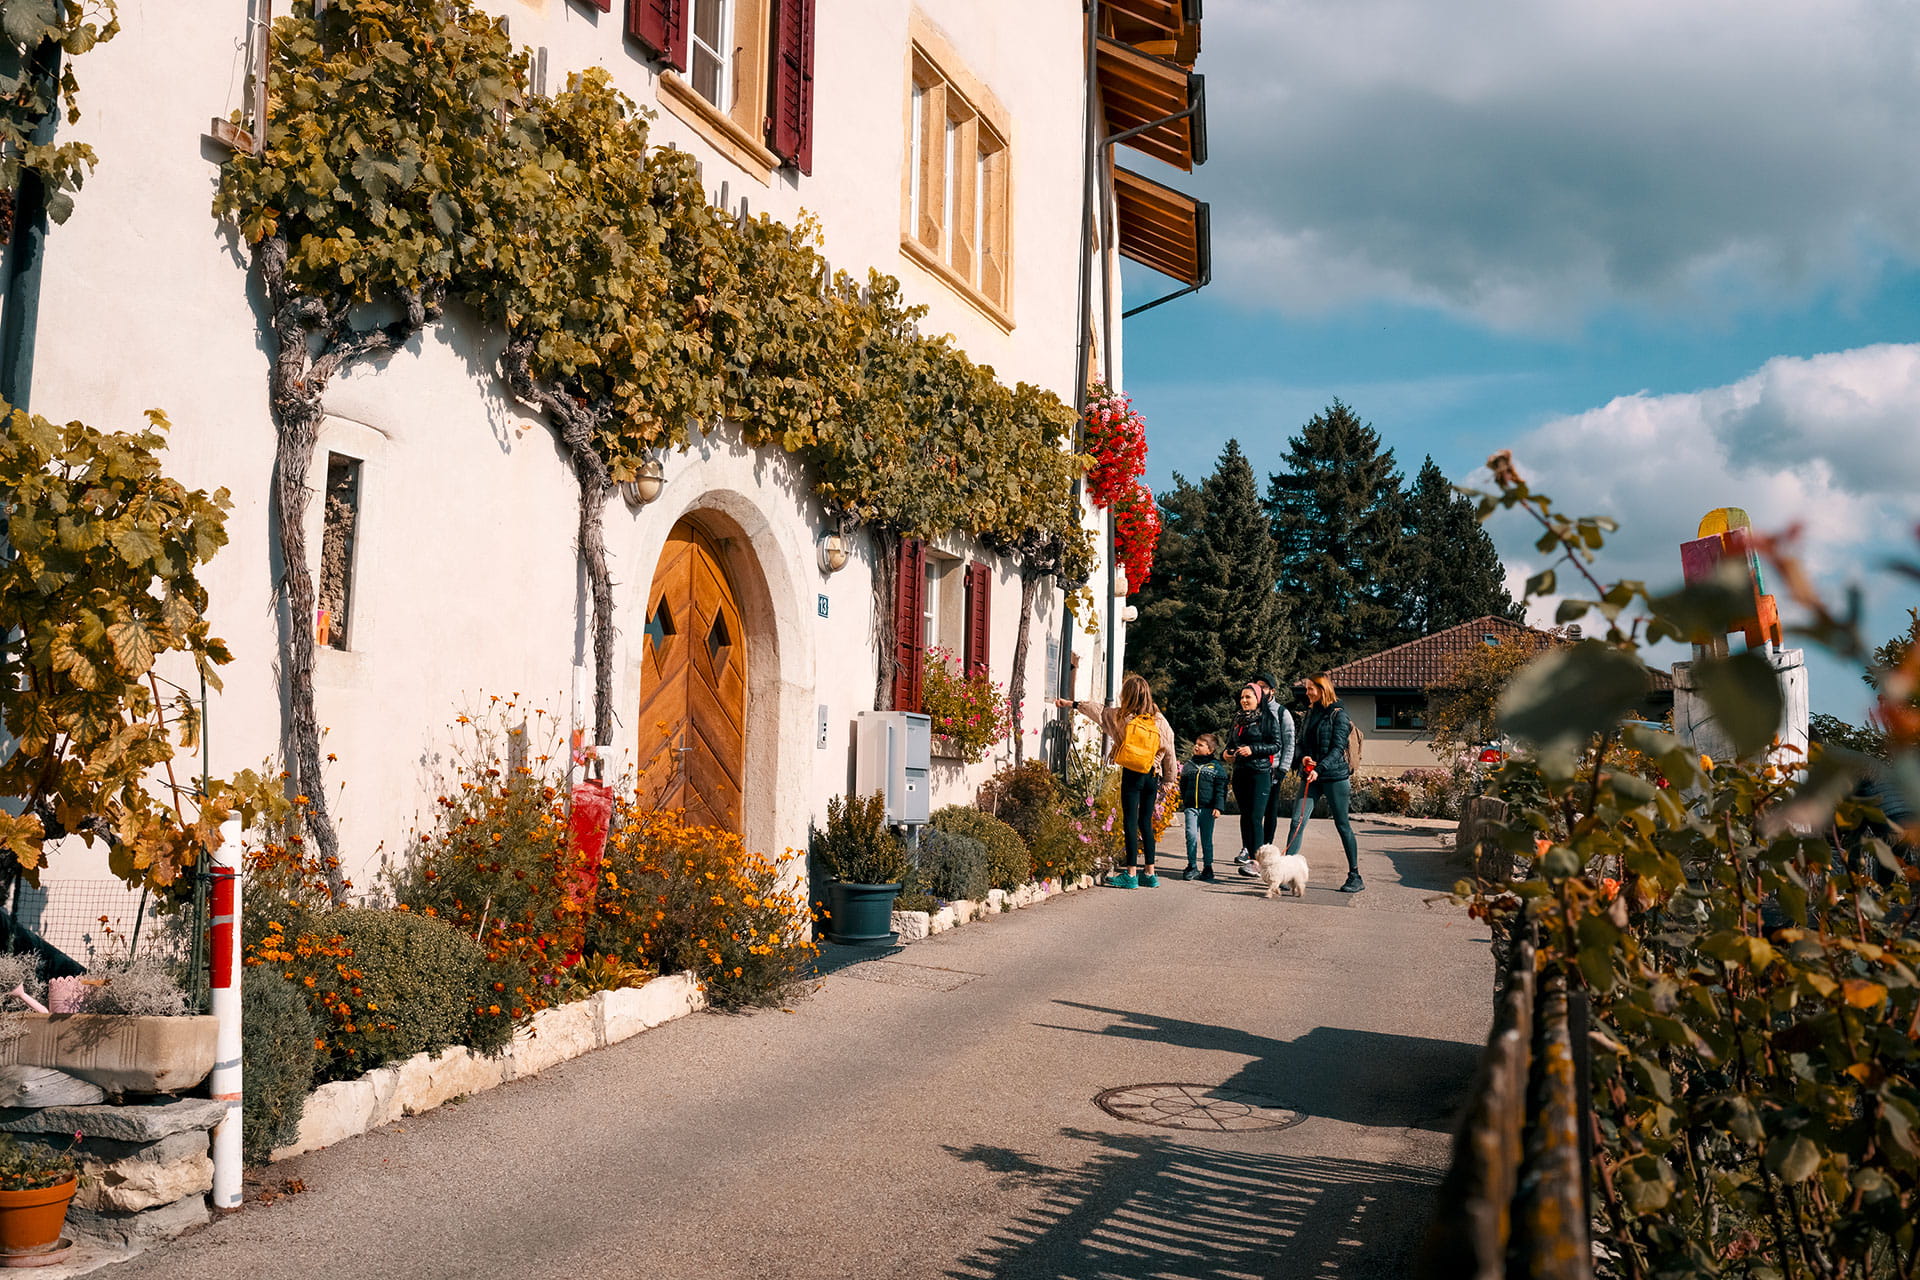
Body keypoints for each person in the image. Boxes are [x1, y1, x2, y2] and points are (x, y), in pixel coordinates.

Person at [1055, 673, 1177, 888]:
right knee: (1145, 822)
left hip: (1132, 773)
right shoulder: (1159, 720)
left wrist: (1072, 704)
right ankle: (1150, 873)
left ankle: (1130, 874)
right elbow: (1170, 749)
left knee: (1130, 821)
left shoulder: (1122, 716)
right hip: (1152, 774)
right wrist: (1169, 778)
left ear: (1127, 695)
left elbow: (1098, 712)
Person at [1283, 673, 1363, 892]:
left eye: (1311, 689)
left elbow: (1338, 749)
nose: (1307, 693)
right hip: (1312, 776)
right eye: (1307, 689)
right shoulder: (1310, 713)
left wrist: (1320, 768)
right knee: (1296, 821)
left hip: (1334, 777)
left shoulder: (1339, 715)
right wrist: (1303, 758)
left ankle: (1355, 875)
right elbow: (1301, 743)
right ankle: (1287, 872)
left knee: (1342, 824)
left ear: (1323, 689)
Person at [1236, 672, 1298, 866]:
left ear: (1272, 690)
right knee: (1251, 813)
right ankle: (1250, 849)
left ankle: (1266, 848)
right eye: (1258, 686)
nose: (1260, 689)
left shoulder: (1280, 713)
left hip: (1273, 768)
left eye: (1264, 686)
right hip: (1251, 769)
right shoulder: (1246, 714)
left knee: (1268, 812)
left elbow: (1288, 742)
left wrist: (1283, 769)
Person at [1222, 682, 1282, 870]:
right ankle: (1249, 855)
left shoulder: (1268, 718)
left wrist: (1253, 749)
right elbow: (1230, 743)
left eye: (1248, 697)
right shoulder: (1238, 719)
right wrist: (1226, 753)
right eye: (1242, 697)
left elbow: (1276, 745)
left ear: (1258, 699)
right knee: (1245, 816)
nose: (1244, 701)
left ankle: (1257, 862)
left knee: (1256, 817)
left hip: (1260, 773)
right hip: (1240, 772)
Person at [1178, 734, 1228, 880]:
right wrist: (1186, 802)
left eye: (1200, 745)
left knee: (1206, 839)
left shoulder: (1216, 768)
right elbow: (1183, 785)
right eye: (1196, 743)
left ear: (1210, 750)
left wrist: (1218, 807)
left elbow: (1220, 789)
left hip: (1207, 809)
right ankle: (1192, 866)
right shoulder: (1188, 766)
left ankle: (1208, 867)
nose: (1196, 746)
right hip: (1191, 808)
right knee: (1191, 835)